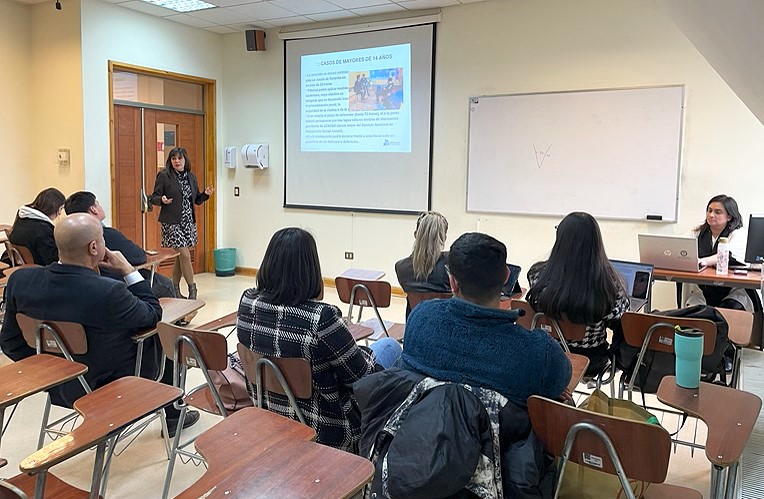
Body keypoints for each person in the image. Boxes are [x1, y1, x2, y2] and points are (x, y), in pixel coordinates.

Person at [0, 214, 199, 434]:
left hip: (58, 385)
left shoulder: (21, 281)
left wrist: (49, 370)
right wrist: (129, 271)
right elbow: (153, 313)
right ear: (94, 247)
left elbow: (9, 342)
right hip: (110, 385)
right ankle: (174, 416)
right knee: (167, 336)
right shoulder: (107, 292)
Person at [237, 227, 401, 453]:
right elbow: (363, 380)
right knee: (390, 347)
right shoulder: (320, 318)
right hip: (326, 430)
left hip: (270, 417)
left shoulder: (247, 302)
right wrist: (364, 353)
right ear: (310, 269)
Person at [401, 232, 571, 406]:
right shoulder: (539, 355)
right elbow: (560, 381)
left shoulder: (419, 319)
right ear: (506, 277)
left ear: (453, 282)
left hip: (419, 426)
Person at [526, 212, 629, 376]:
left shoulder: (537, 275)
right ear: (596, 242)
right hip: (590, 361)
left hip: (547, 355)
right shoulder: (610, 284)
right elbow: (620, 322)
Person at [64, 191, 176, 298]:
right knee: (166, 284)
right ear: (93, 209)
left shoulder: (69, 237)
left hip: (85, 287)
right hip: (118, 285)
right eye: (97, 203)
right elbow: (139, 257)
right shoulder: (106, 234)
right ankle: (175, 317)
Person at [150, 147, 213, 300]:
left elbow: (196, 199)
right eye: (173, 158)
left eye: (179, 158)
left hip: (187, 221)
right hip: (171, 222)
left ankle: (174, 289)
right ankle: (192, 289)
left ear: (185, 160)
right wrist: (161, 200)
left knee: (180, 256)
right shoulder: (164, 176)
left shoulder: (190, 177)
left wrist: (205, 194)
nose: (176, 161)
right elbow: (154, 197)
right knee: (184, 254)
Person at [683, 194, 753, 311]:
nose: (711, 215)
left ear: (729, 216)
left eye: (718, 212)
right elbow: (680, 245)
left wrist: (704, 261)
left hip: (733, 290)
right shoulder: (697, 231)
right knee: (695, 310)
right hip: (702, 288)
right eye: (709, 211)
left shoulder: (739, 233)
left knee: (731, 308)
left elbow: (727, 255)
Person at [395, 211, 451, 318]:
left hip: (415, 328)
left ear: (415, 234)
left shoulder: (401, 267)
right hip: (447, 328)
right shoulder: (452, 264)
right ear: (444, 237)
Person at [8, 187, 66, 265]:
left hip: (23, 268)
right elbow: (53, 261)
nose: (59, 213)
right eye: (61, 209)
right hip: (41, 270)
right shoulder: (44, 231)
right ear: (52, 207)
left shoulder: (21, 219)